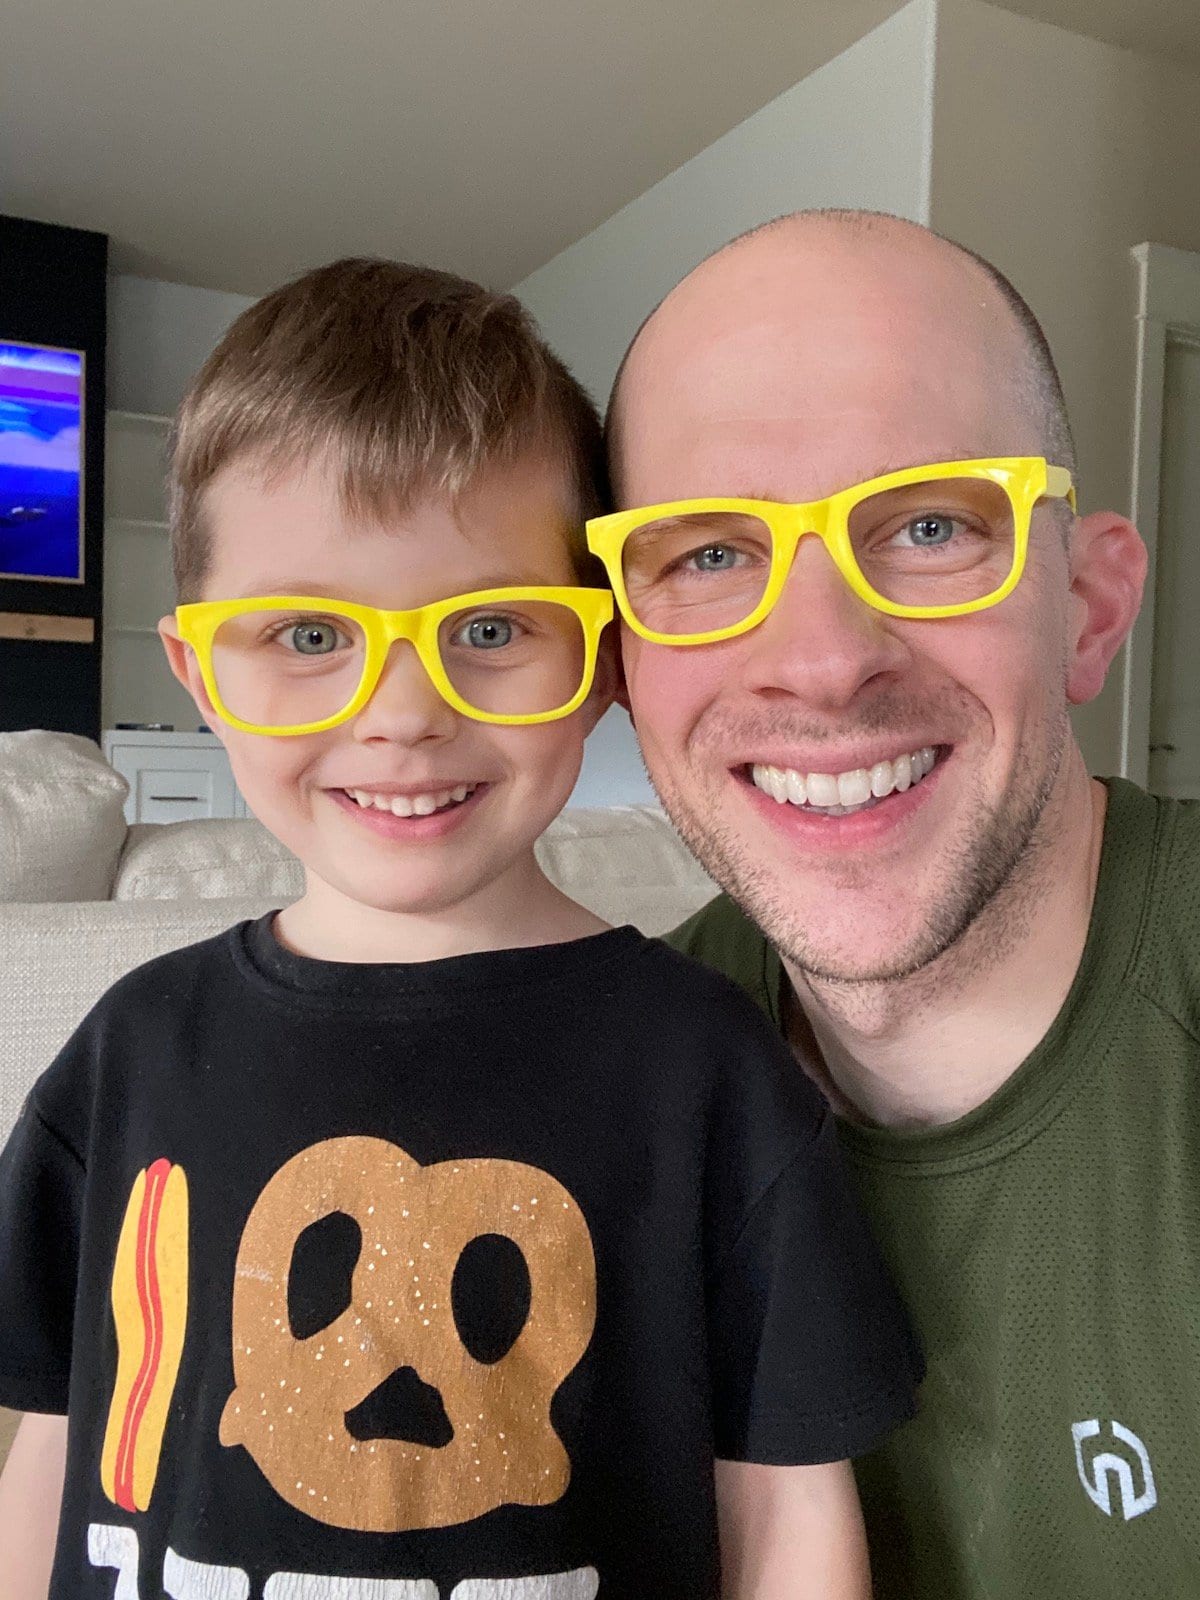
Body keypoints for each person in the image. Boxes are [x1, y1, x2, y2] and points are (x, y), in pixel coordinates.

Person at [0, 257, 921, 1599]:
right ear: (199, 671)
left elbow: (786, 1508)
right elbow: (56, 1437)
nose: (402, 713)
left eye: (489, 627)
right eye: (306, 635)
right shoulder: (130, 1051)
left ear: (600, 657)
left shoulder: (708, 1070)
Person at [585, 205, 1200, 1597]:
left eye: (929, 525)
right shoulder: (600, 1093)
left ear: (1090, 609)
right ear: (620, 658)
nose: (821, 660)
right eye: (709, 554)